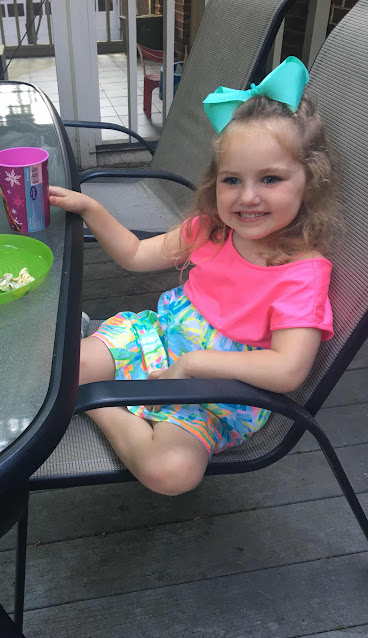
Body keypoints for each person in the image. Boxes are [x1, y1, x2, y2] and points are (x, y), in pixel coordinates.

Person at [49, 57, 338, 497]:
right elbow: (135, 254)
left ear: (309, 182)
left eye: (270, 178)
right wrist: (91, 208)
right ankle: (93, 387)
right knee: (54, 372)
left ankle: (93, 401)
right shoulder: (212, 229)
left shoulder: (302, 273)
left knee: (172, 473)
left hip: (217, 391)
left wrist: (194, 364)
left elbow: (288, 369)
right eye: (232, 180)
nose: (248, 197)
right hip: (155, 341)